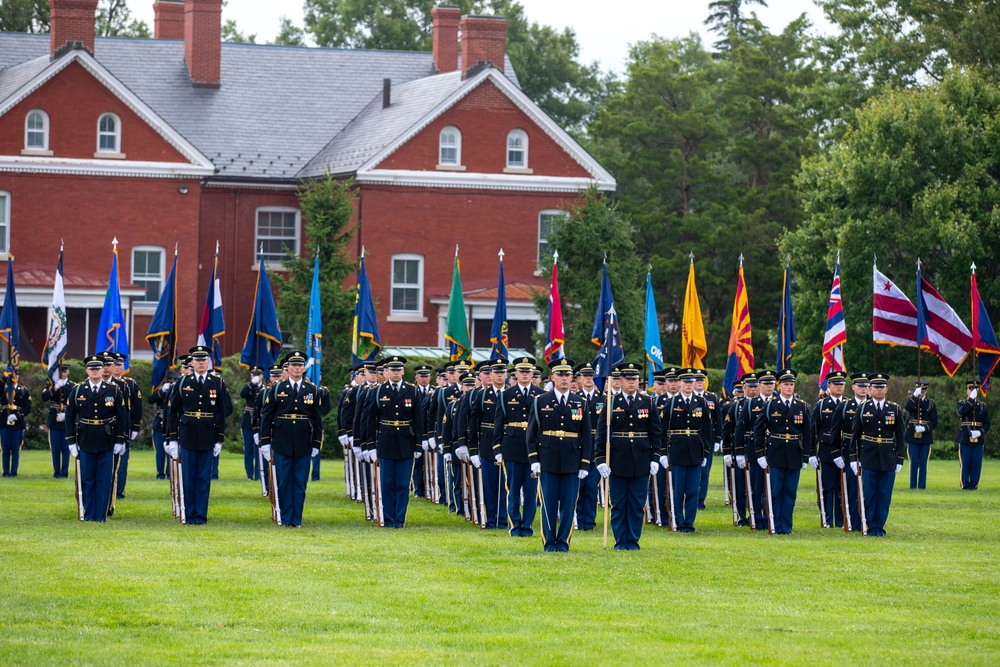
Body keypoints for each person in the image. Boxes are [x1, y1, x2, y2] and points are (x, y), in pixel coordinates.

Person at [527, 358, 593, 552]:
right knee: (548, 503)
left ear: (572, 377)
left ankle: (563, 542)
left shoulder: (580, 402)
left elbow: (587, 435)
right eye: (560, 375)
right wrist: (534, 459)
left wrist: (585, 463)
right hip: (547, 458)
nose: (564, 379)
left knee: (568, 505)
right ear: (553, 377)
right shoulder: (541, 401)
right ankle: (549, 542)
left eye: (567, 375)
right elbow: (531, 433)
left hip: (572, 460)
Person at [595, 362, 662, 550]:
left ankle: (632, 541)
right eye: (628, 379)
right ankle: (620, 541)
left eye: (634, 379)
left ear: (638, 381)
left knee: (636, 504)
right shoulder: (611, 402)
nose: (631, 382)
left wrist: (655, 457)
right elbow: (602, 433)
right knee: (618, 504)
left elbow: (656, 433)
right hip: (617, 460)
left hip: (641, 460)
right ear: (621, 381)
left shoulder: (648, 402)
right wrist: (600, 459)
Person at [165, 346, 227, 525]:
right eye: (198, 360)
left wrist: (219, 439)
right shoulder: (183, 382)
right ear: (192, 363)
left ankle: (200, 515)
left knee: (203, 478)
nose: (201, 363)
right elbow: (173, 412)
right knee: (188, 477)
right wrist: (173, 439)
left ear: (208, 362)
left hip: (208, 434)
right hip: (188, 434)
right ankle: (188, 513)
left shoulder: (217, 383)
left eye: (204, 360)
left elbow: (221, 412)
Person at [259, 351, 323, 527]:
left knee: (300, 483)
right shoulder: (277, 388)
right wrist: (265, 441)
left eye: (300, 365)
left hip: (304, 441)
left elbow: (317, 419)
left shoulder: (312, 390)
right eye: (293, 365)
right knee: (284, 481)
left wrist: (316, 443)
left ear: (304, 368)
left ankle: (297, 518)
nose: (297, 368)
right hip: (282, 441)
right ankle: (286, 518)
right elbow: (267, 416)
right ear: (287, 368)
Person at [364, 355, 425, 528]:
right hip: (386, 441)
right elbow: (370, 419)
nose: (396, 372)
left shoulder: (412, 391)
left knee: (403, 483)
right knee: (387, 483)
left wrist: (418, 444)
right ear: (386, 372)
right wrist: (370, 445)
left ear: (403, 371)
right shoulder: (378, 391)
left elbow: (419, 419)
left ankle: (399, 519)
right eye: (392, 370)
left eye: (399, 370)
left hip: (406, 441)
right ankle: (388, 519)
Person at [66, 355, 127, 521]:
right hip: (85, 439)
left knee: (104, 478)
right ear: (87, 370)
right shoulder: (78, 390)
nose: (95, 371)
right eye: (91, 369)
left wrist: (120, 440)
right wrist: (71, 441)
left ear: (102, 370)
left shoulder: (113, 390)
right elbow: (70, 417)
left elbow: (122, 416)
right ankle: (89, 513)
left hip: (107, 439)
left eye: (98, 368)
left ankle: (100, 515)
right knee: (87, 478)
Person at [753, 369, 813, 535]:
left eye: (791, 384)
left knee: (790, 492)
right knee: (776, 491)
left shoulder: (801, 406)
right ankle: (774, 523)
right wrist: (760, 454)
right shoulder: (771, 405)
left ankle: (786, 526)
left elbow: (807, 433)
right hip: (775, 453)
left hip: (794, 453)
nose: (789, 387)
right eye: (786, 384)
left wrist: (805, 457)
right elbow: (758, 430)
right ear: (779, 386)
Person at [848, 372, 904, 536]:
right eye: (876, 387)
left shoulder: (894, 409)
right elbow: (855, 435)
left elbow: (900, 436)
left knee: (884, 495)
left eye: (882, 387)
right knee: (870, 494)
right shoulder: (863, 408)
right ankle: (870, 525)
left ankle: (879, 526)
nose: (879, 390)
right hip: (868, 457)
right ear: (870, 389)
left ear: (886, 390)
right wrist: (853, 458)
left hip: (887, 458)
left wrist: (899, 459)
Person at [659, 368, 713, 532]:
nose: (689, 385)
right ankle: (677, 520)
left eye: (691, 382)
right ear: (680, 383)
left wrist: (705, 452)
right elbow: (662, 429)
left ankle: (689, 522)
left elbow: (707, 429)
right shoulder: (672, 403)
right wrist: (662, 452)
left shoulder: (701, 402)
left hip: (695, 451)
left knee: (692, 490)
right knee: (677, 489)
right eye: (686, 382)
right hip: (677, 451)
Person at [495, 356, 543, 536]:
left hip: (533, 450)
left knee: (531, 492)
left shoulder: (541, 394)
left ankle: (527, 526)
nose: (524, 374)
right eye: (521, 371)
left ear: (532, 373)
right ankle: (515, 525)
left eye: (528, 371)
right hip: (512, 447)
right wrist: (497, 448)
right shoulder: (506, 395)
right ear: (515, 374)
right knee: (513, 489)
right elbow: (499, 423)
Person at [469, 358, 509, 530]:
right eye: (496, 373)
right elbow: (473, 422)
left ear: (506, 375)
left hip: (507, 444)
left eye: (502, 373)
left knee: (506, 484)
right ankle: (491, 519)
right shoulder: (482, 395)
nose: (499, 376)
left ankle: (504, 519)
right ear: (490, 375)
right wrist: (472, 450)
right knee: (490, 484)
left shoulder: (510, 394)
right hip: (486, 445)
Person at [831, 372, 868, 531]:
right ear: (853, 387)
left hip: (869, 451)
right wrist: (836, 453)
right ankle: (853, 520)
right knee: (852, 489)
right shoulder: (845, 406)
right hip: (849, 453)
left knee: (868, 490)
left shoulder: (872, 405)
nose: (863, 389)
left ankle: (867, 520)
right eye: (860, 386)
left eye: (866, 386)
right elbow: (835, 431)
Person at [812, 370, 847, 527]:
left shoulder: (849, 404)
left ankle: (841, 521)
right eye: (836, 384)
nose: (839, 387)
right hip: (826, 452)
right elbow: (813, 430)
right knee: (828, 488)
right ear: (829, 386)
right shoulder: (821, 405)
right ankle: (827, 519)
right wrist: (812, 453)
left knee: (842, 488)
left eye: (841, 384)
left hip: (844, 451)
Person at [574, 362, 603, 531]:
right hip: (578, 447)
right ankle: (578, 519)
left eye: (591, 376)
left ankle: (589, 521)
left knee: (592, 487)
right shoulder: (575, 398)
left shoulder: (603, 399)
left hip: (596, 448)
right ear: (579, 379)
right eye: (585, 376)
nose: (588, 379)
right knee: (579, 486)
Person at [723, 374, 754, 526]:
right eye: (750, 387)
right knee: (740, 486)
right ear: (744, 388)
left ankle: (756, 513)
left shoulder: (764, 404)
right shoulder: (736, 405)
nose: (753, 390)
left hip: (757, 448)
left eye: (756, 386)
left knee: (757, 486)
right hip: (740, 448)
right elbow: (728, 429)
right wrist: (728, 451)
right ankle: (742, 516)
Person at [111, 353, 142, 499]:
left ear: (123, 366)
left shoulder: (129, 384)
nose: (117, 368)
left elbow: (137, 407)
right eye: (114, 364)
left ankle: (119, 491)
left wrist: (135, 426)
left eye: (120, 365)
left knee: (122, 462)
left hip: (124, 428)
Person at [693, 370, 722, 510]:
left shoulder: (712, 398)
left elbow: (718, 420)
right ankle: (690, 498)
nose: (699, 383)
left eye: (702, 380)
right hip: (691, 441)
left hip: (707, 440)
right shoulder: (689, 397)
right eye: (697, 381)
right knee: (692, 472)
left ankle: (701, 500)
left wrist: (717, 440)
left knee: (704, 472)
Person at [956, 380, 991, 491]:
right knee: (965, 461)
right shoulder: (962, 403)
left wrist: (980, 432)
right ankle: (965, 484)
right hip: (965, 435)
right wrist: (971, 400)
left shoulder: (982, 406)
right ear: (967, 391)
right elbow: (962, 412)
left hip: (978, 436)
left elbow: (987, 423)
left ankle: (974, 485)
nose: (972, 391)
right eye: (970, 389)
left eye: (974, 389)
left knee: (976, 462)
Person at [904, 380, 938, 490]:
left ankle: (922, 486)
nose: (921, 393)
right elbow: (907, 407)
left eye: (923, 390)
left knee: (923, 463)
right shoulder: (912, 400)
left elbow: (934, 421)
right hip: (912, 434)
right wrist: (914, 396)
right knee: (913, 462)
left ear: (926, 390)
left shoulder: (931, 403)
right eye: (919, 390)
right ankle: (912, 485)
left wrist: (925, 428)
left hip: (925, 436)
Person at [42, 364, 74, 478]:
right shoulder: (51, 385)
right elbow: (44, 397)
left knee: (66, 448)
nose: (63, 374)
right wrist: (55, 388)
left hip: (66, 420)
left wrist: (67, 414)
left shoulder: (73, 386)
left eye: (65, 371)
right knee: (55, 448)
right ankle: (56, 472)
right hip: (54, 420)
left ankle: (64, 472)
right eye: (61, 372)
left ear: (68, 372)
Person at [0, 367, 31, 478]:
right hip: (4, 422)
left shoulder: (23, 390)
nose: (14, 378)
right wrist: (3, 378)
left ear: (18, 377)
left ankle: (14, 472)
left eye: (16, 376)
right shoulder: (4, 388)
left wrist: (17, 415)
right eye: (12, 376)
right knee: (5, 449)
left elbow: (27, 407)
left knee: (15, 449)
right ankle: (5, 471)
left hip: (18, 424)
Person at [147, 371, 177, 480]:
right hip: (159, 423)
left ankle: (170, 473)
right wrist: (160, 391)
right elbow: (150, 399)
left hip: (171, 423)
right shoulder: (162, 389)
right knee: (160, 450)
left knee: (171, 449)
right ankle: (160, 473)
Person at [239, 367, 264, 482]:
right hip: (248, 421)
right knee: (249, 449)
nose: (256, 376)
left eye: (258, 374)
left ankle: (258, 474)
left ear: (262, 376)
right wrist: (252, 384)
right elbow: (242, 394)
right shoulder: (248, 386)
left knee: (259, 448)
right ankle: (249, 474)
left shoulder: (265, 388)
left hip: (260, 421)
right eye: (254, 374)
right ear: (251, 376)